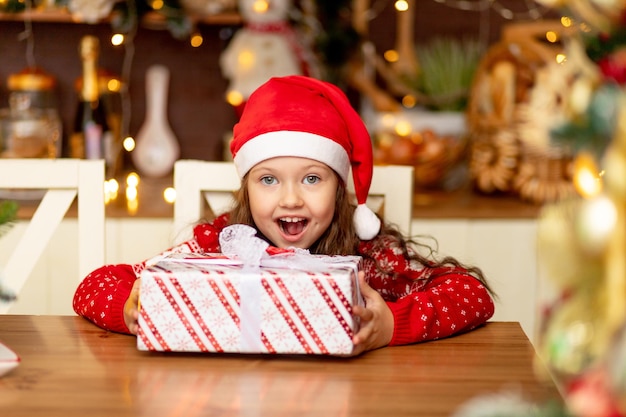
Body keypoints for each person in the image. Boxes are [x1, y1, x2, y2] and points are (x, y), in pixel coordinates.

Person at [73, 75, 495, 355]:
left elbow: (471, 294)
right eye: (269, 180)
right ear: (246, 188)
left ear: (339, 186)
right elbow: (95, 285)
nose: (291, 199)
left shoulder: (370, 256)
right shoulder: (217, 243)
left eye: (312, 179)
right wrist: (132, 309)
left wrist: (391, 325)